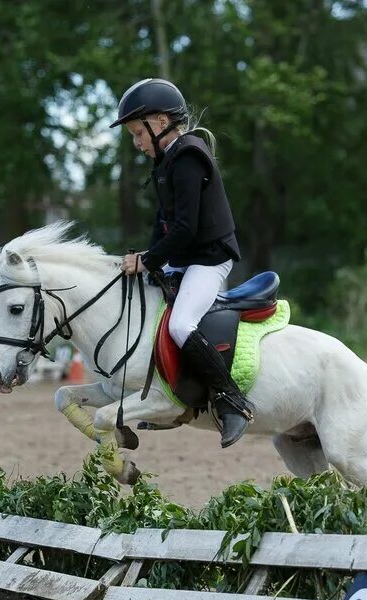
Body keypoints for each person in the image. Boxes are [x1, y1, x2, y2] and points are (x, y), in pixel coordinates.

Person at [115, 77, 254, 448]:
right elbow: (162, 227)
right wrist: (146, 261)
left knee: (180, 325)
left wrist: (147, 261)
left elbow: (186, 228)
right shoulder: (165, 162)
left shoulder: (188, 156)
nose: (136, 142)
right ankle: (167, 400)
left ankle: (232, 400)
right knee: (147, 312)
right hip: (185, 258)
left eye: (137, 133)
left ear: (159, 123)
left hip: (209, 259)